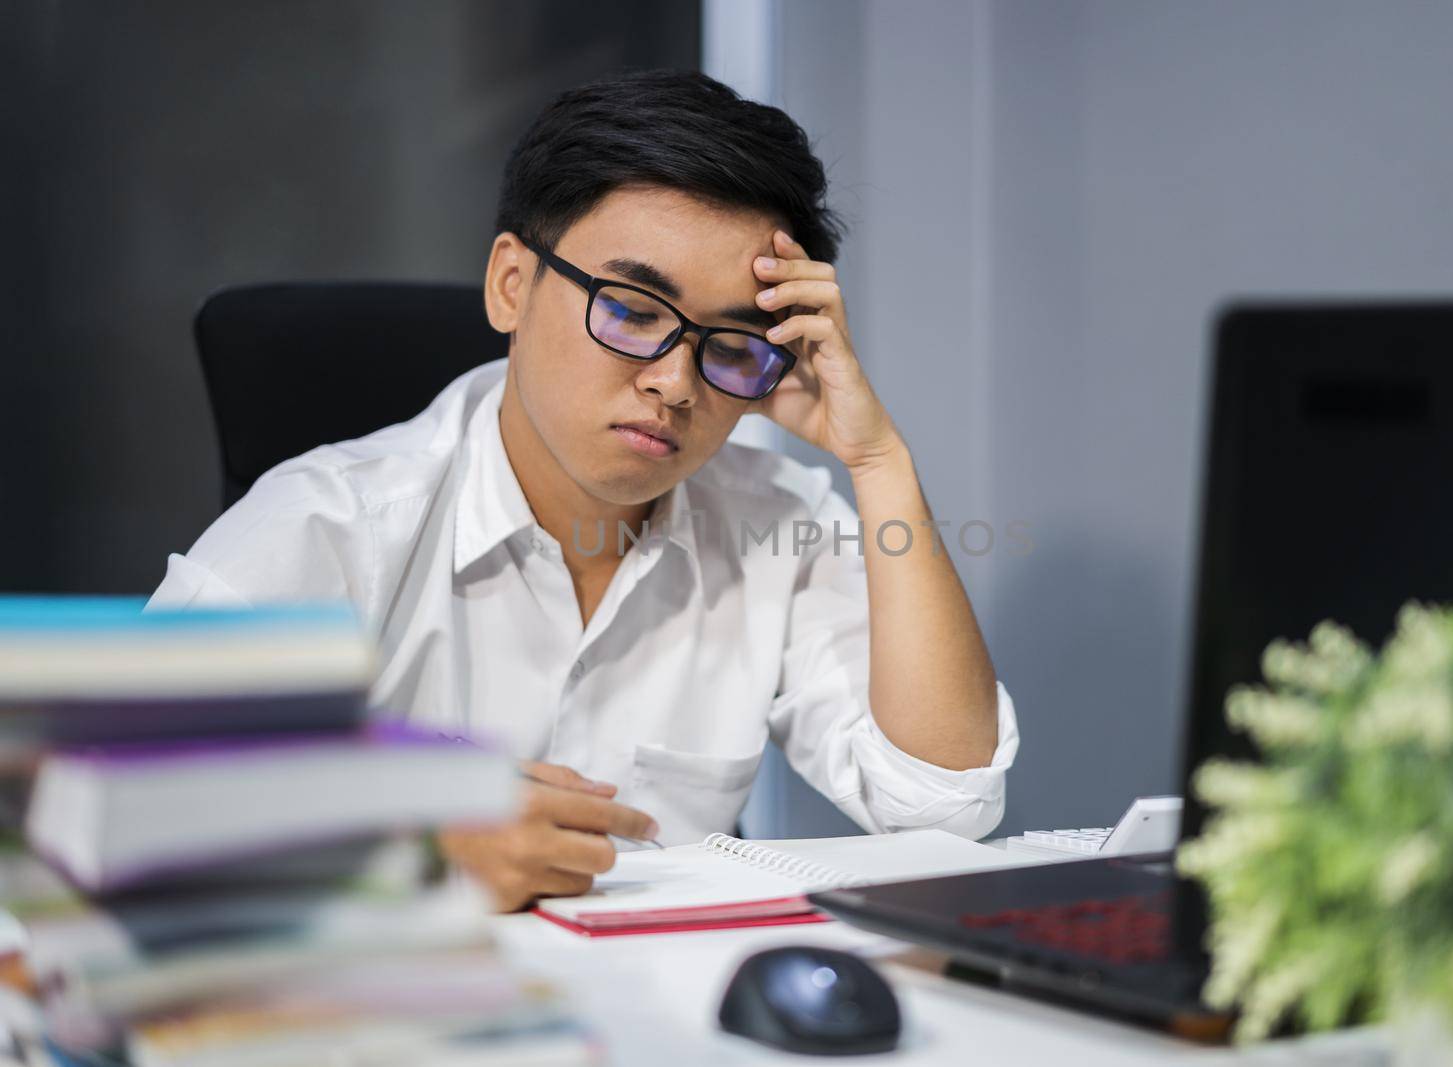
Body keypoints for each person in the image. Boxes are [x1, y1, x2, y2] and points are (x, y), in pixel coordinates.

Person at [148, 69, 1019, 910]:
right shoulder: (327, 525)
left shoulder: (774, 523)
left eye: (730, 344)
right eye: (635, 311)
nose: (677, 383)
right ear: (511, 285)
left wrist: (878, 462)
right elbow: (89, 822)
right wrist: (406, 852)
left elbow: (942, 805)